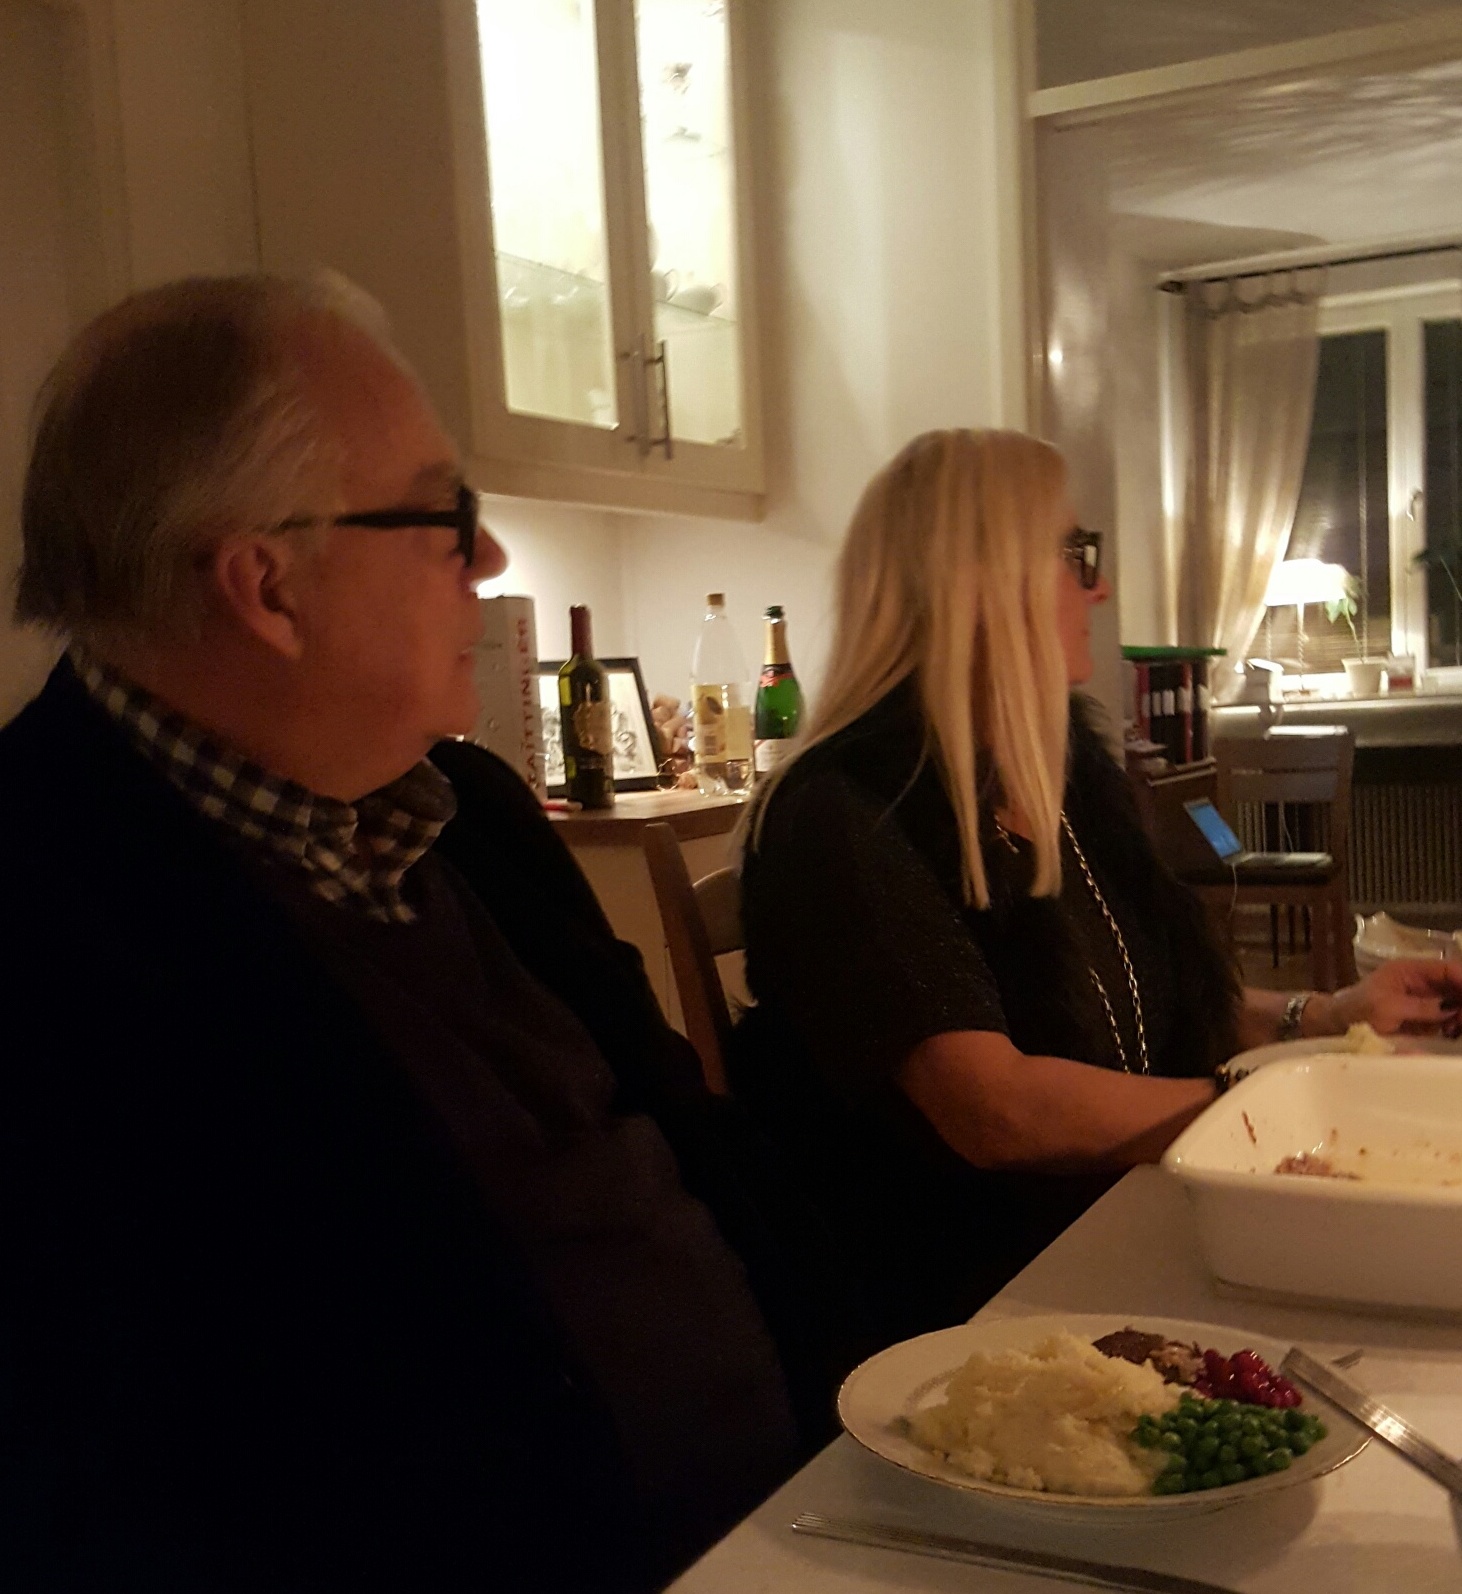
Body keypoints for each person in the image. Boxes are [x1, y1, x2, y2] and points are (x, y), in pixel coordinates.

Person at [0, 275, 831, 1593]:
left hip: (813, 1514)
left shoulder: (473, 812)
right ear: (267, 587)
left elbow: (695, 1151)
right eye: (446, 516)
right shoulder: (41, 918)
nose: (487, 561)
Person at [733, 428, 1462, 1355]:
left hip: (1116, 1216)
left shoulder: (1062, 780)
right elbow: (996, 1110)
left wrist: (1322, 1017)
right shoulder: (847, 814)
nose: (1100, 587)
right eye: (1074, 554)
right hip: (980, 1300)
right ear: (981, 584)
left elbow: (1141, 1005)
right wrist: (1260, 1112)